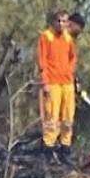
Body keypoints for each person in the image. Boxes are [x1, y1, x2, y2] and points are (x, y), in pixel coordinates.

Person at [37, 10, 77, 162]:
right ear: (54, 22)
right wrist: (45, 82)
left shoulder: (68, 38)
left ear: (68, 23)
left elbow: (73, 57)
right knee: (52, 117)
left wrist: (70, 71)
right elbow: (42, 61)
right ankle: (48, 148)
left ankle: (65, 148)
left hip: (67, 83)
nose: (61, 24)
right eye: (59, 21)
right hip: (52, 83)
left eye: (64, 21)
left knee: (68, 117)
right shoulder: (46, 37)